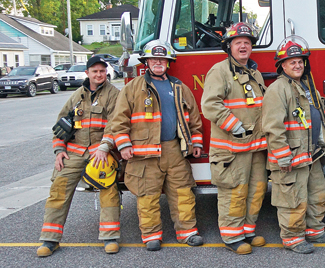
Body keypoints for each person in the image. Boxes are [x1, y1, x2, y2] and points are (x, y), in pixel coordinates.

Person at [107, 40, 204, 251]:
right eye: (154, 59)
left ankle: (187, 232)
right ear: (146, 62)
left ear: (168, 62)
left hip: (175, 150)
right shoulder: (133, 88)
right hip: (144, 155)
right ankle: (151, 235)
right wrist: (123, 145)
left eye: (162, 59)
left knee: (183, 193)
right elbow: (119, 120)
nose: (158, 62)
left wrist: (195, 142)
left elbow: (194, 118)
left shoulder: (179, 87)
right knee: (147, 196)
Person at [37, 56, 121, 257]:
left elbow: (115, 125)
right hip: (73, 153)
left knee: (108, 190)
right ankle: (50, 239)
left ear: (106, 72)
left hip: (101, 152)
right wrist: (59, 151)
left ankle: (110, 237)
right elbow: (60, 126)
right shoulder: (77, 96)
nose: (99, 74)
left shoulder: (114, 95)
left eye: (102, 71)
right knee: (58, 190)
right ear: (87, 73)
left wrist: (104, 147)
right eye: (95, 71)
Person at [262, 35, 325, 254]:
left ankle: (314, 231)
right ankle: (293, 238)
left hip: (309, 155)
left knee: (317, 194)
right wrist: (283, 156)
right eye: (292, 62)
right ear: (282, 65)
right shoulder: (277, 89)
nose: (297, 65)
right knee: (292, 199)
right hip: (290, 158)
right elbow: (273, 127)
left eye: (300, 61)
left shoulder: (304, 86)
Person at [201, 22, 268, 255]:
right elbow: (210, 104)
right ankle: (232, 236)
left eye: (247, 43)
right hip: (232, 147)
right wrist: (235, 125)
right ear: (228, 46)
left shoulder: (254, 72)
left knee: (257, 189)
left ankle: (248, 231)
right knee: (235, 191)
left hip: (256, 147)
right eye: (238, 43)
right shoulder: (219, 71)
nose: (243, 47)